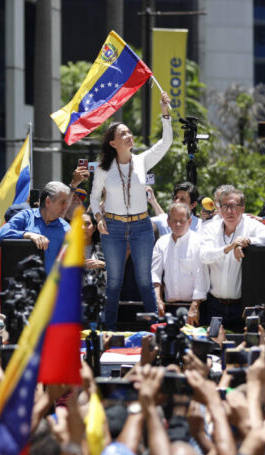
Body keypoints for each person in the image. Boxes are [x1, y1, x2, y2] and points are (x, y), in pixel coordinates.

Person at [90, 91, 173, 329]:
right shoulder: (104, 169)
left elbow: (166, 143)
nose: (129, 135)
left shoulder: (143, 160)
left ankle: (155, 331)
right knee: (113, 281)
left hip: (141, 225)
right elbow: (95, 197)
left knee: (144, 281)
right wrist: (98, 217)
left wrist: (164, 112)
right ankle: (109, 332)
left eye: (129, 132)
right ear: (112, 142)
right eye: (122, 133)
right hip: (113, 226)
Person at [199, 188, 265, 329]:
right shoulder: (209, 228)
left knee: (241, 347)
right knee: (213, 347)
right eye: (225, 206)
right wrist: (230, 247)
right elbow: (205, 256)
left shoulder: (251, 225)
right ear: (219, 208)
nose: (230, 211)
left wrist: (246, 241)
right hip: (213, 304)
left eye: (234, 206)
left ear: (242, 208)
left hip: (241, 306)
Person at [151, 203, 209, 325]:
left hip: (194, 307)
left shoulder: (199, 242)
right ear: (168, 221)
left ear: (189, 221)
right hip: (168, 306)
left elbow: (201, 277)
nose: (178, 224)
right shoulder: (161, 242)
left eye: (182, 221)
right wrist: (157, 299)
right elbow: (155, 273)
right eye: (174, 220)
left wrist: (195, 306)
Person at [0, 181, 71, 268]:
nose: (65, 207)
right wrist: (28, 235)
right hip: (26, 280)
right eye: (62, 202)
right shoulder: (26, 216)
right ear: (48, 201)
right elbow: (2, 233)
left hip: (53, 281)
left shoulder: (67, 229)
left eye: (66, 203)